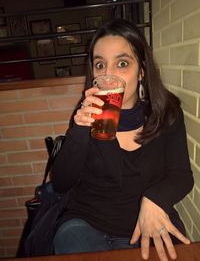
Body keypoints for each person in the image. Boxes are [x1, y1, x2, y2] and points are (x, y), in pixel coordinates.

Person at [51, 19, 194, 261]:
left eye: (122, 63)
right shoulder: (90, 114)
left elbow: (181, 175)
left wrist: (154, 199)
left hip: (147, 223)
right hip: (85, 223)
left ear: (141, 70)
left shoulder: (166, 113)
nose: (108, 76)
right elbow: (61, 183)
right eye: (100, 65)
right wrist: (79, 130)